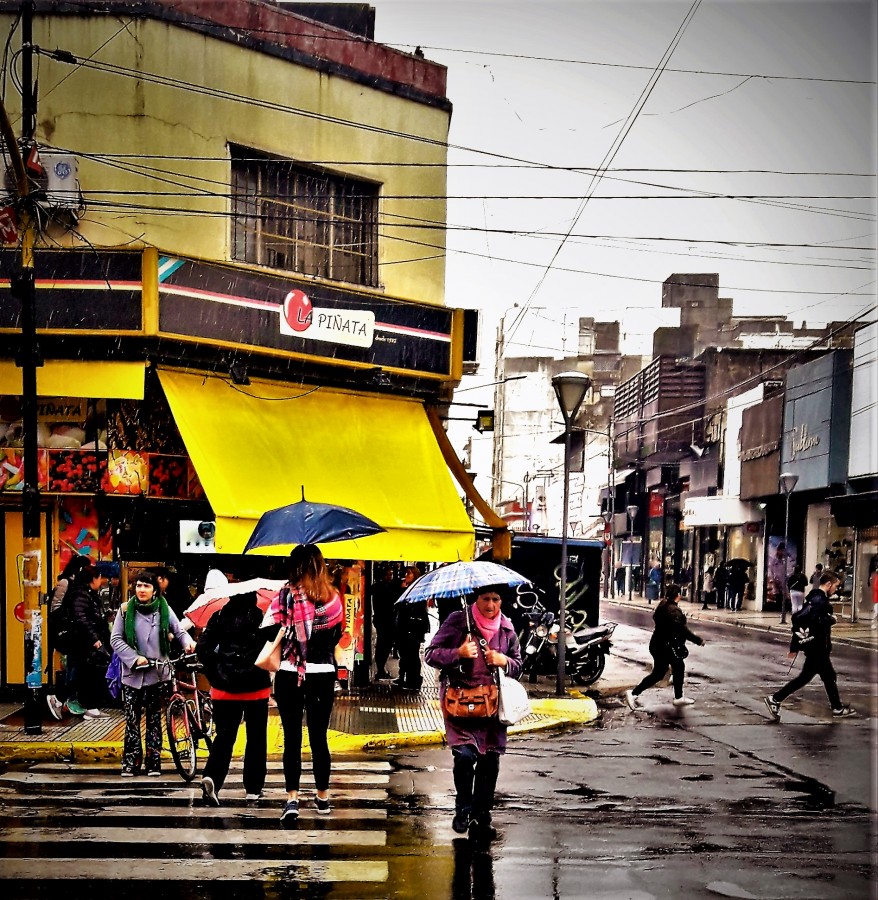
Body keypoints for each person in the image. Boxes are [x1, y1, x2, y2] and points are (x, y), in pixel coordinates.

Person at [425, 584, 523, 841]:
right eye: (485, 599)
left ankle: (482, 814)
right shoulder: (458, 621)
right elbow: (430, 654)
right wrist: (457, 653)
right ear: (475, 599)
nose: (491, 605)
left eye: (496, 599)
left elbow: (518, 665)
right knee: (465, 757)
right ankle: (463, 809)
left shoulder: (507, 629)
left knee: (490, 761)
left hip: (492, 706)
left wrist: (504, 661)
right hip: (460, 703)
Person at [263, 544, 343, 826]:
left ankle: (292, 799)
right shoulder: (334, 598)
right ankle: (322, 797)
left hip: (289, 672)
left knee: (292, 738)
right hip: (322, 673)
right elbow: (336, 636)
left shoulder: (285, 595)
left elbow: (272, 630)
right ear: (320, 565)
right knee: (319, 738)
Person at [110, 571, 195, 776]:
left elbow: (180, 630)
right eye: (139, 586)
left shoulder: (164, 609)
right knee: (131, 720)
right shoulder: (125, 610)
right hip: (132, 674)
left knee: (155, 719)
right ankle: (131, 761)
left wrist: (188, 643)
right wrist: (133, 658)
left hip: (157, 673)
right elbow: (116, 640)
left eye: (146, 586)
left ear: (154, 590)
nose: (142, 590)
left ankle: (153, 762)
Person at [196, 590, 271, 807]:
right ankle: (253, 789)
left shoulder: (219, 616)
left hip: (224, 689)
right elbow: (274, 644)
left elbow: (203, 648)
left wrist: (215, 674)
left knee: (225, 737)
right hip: (256, 686)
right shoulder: (263, 618)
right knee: (256, 738)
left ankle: (213, 777)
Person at [763, 572, 856, 721]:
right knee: (808, 678)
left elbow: (802, 621)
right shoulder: (820, 601)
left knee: (828, 676)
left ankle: (837, 707)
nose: (836, 589)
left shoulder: (815, 598)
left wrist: (795, 646)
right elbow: (814, 622)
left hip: (816, 647)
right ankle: (775, 699)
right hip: (817, 648)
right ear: (828, 584)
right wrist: (831, 619)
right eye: (836, 586)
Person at [625, 583, 705, 709]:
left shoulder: (663, 606)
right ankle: (634, 693)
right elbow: (682, 629)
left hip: (658, 644)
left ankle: (677, 697)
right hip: (665, 646)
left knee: (667, 670)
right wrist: (698, 640)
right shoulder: (673, 610)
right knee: (670, 669)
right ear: (678, 595)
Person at [46, 555, 92, 719]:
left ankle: (68, 700)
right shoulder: (65, 582)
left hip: (73, 631)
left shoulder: (77, 584)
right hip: (66, 631)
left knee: (75, 665)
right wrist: (65, 624)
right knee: (74, 666)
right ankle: (60, 698)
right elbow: (55, 608)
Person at [65, 564, 111, 719]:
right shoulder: (81, 594)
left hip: (85, 642)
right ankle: (64, 700)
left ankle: (88, 706)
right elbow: (81, 618)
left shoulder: (87, 593)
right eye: (99, 578)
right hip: (83, 643)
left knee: (85, 674)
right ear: (93, 579)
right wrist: (95, 639)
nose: (102, 581)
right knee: (85, 674)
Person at [394, 566, 429, 691]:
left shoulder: (418, 591)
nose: (406, 576)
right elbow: (397, 604)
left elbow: (413, 609)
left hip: (413, 628)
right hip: (403, 627)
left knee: (412, 655)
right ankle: (402, 676)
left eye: (409, 574)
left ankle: (413, 680)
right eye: (405, 573)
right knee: (404, 654)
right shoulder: (405, 589)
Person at [370, 565, 399, 680]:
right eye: (388, 574)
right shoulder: (383, 588)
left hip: (382, 619)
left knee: (383, 644)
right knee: (384, 645)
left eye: (391, 574)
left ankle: (381, 669)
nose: (390, 577)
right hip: (384, 620)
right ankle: (380, 669)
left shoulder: (378, 587)